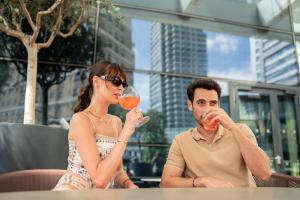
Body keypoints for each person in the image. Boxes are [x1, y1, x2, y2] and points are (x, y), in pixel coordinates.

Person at [160, 78, 271, 188]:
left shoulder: (241, 130)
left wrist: (233, 127)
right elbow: (166, 183)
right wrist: (201, 181)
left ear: (218, 105)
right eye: (201, 103)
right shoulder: (181, 140)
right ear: (190, 105)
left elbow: (264, 174)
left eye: (213, 103)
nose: (208, 109)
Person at [53, 60, 142, 190]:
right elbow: (99, 180)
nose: (121, 88)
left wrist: (130, 184)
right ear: (96, 82)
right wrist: (126, 131)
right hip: (74, 191)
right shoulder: (80, 120)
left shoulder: (116, 122)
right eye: (116, 81)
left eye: (124, 84)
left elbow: (117, 171)